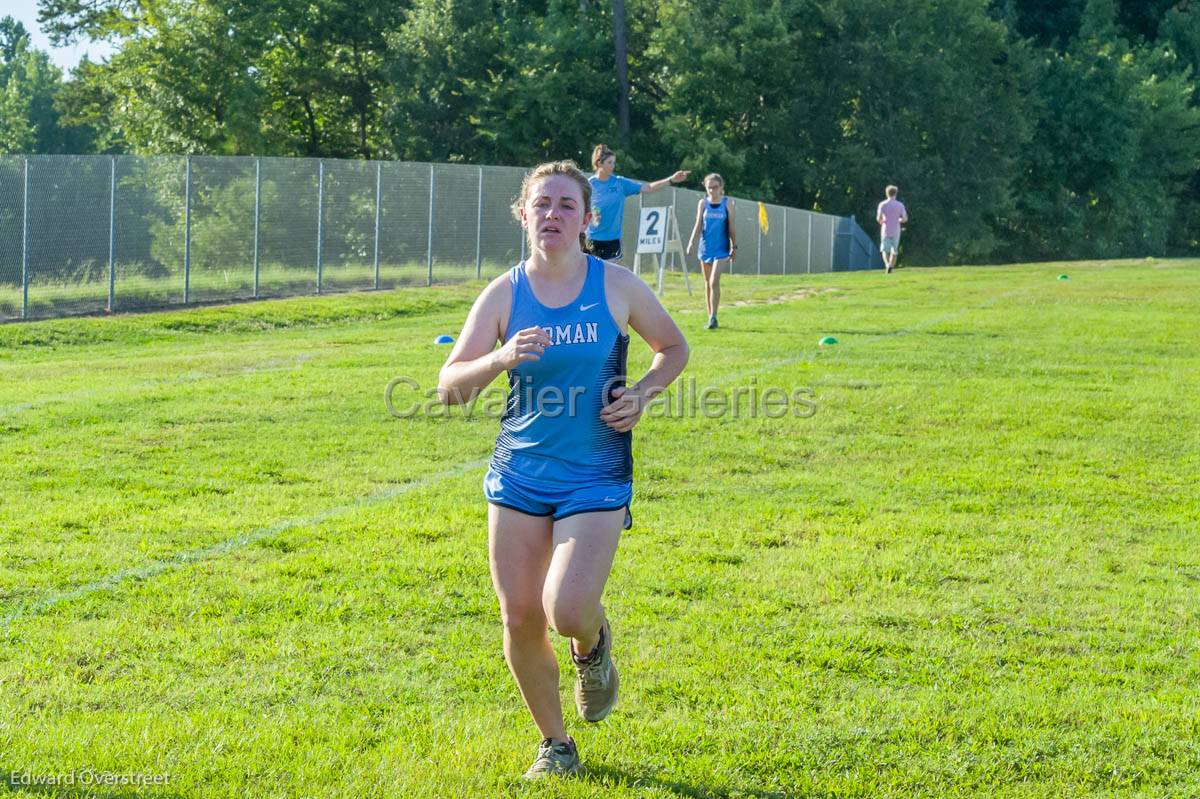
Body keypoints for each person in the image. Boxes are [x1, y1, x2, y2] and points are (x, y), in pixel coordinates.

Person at [438, 160, 689, 779]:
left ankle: (593, 646)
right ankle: (557, 745)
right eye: (542, 204)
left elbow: (674, 347)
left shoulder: (617, 285)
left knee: (568, 607)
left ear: (587, 218)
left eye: (566, 206)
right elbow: (449, 388)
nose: (553, 214)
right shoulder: (503, 293)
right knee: (520, 616)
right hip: (519, 473)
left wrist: (644, 393)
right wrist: (498, 357)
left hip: (596, 471)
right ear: (523, 215)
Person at [586, 143, 689, 262]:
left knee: (610, 278)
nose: (613, 166)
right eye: (610, 163)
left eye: (614, 162)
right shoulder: (588, 184)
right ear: (599, 163)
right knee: (590, 277)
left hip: (612, 240)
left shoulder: (620, 183)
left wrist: (671, 180)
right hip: (591, 239)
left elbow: (648, 188)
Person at [685, 173, 737, 330]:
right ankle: (710, 317)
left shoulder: (727, 204)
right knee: (707, 283)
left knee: (714, 280)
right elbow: (698, 224)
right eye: (709, 187)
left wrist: (734, 246)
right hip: (705, 248)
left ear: (721, 187)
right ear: (706, 188)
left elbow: (731, 227)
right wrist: (691, 242)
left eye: (715, 187)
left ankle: (714, 315)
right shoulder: (703, 203)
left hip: (721, 249)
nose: (712, 190)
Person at [876, 185, 909, 273]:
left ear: (887, 193)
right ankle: (890, 266)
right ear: (895, 193)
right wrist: (899, 220)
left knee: (884, 250)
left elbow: (878, 218)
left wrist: (883, 222)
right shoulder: (900, 205)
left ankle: (887, 264)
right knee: (894, 251)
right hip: (896, 230)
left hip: (885, 229)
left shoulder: (882, 204)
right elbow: (905, 218)